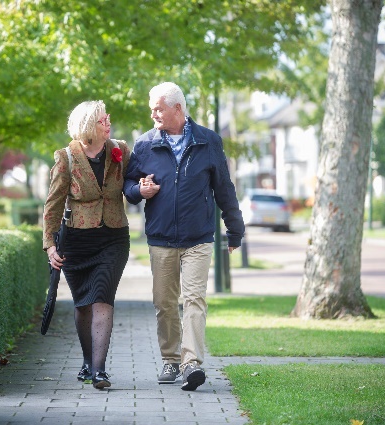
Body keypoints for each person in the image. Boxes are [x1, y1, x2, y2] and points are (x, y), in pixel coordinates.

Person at [123, 82, 245, 391]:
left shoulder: (208, 141)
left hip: (198, 238)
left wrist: (235, 229)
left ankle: (192, 364)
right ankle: (171, 360)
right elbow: (128, 186)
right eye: (152, 108)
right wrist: (140, 190)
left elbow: (224, 189)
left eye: (158, 108)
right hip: (161, 237)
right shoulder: (144, 145)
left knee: (194, 299)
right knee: (165, 302)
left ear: (178, 108)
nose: (153, 114)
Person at [42, 100, 131, 390]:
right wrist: (50, 246)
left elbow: (132, 183)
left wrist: (143, 188)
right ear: (90, 126)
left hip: (113, 238)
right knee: (83, 305)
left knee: (102, 297)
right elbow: (53, 205)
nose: (109, 123)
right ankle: (87, 361)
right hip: (77, 240)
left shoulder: (120, 150)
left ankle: (100, 370)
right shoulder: (66, 158)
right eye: (103, 120)